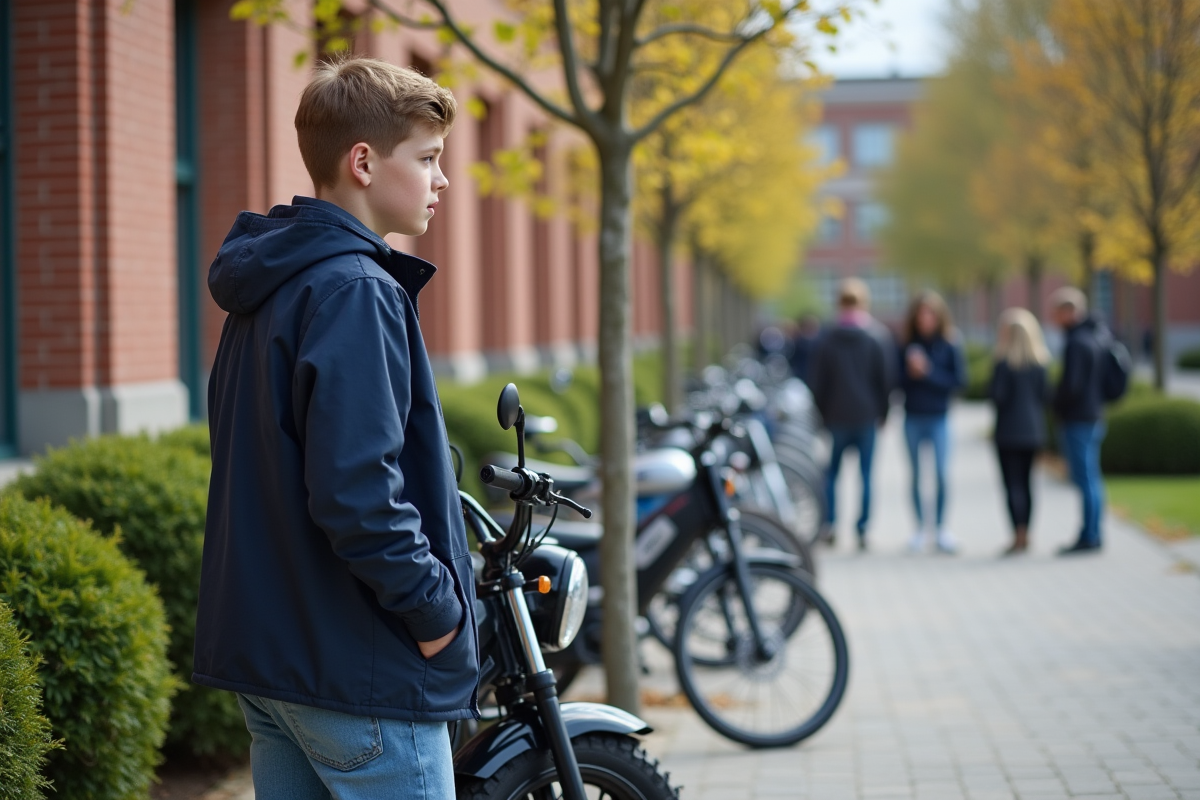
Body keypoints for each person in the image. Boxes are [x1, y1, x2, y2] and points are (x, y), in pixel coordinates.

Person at [193, 57, 478, 799]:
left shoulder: (272, 285)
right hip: (359, 670)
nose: (441, 180)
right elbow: (358, 492)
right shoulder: (355, 290)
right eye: (428, 159)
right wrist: (436, 613)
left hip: (279, 665)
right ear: (362, 162)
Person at [808, 278, 892, 550]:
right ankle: (863, 530)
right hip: (867, 416)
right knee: (866, 475)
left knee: (832, 474)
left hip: (836, 416)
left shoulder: (828, 339)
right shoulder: (875, 337)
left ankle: (830, 525)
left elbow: (818, 382)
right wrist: (884, 412)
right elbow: (885, 379)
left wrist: (821, 414)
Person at [898, 291, 966, 554]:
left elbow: (958, 382)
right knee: (915, 475)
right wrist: (909, 372)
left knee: (940, 474)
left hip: (939, 418)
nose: (925, 319)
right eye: (921, 314)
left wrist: (928, 372)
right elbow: (896, 382)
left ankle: (940, 528)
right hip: (912, 416)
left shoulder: (950, 343)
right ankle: (918, 529)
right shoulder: (906, 345)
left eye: (930, 314)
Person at [1050, 286, 1108, 554]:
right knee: (1092, 478)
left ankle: (1089, 535)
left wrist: (1054, 403)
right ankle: (1094, 532)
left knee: (1085, 478)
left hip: (1079, 418)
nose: (1054, 318)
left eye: (1058, 312)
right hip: (1094, 415)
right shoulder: (1095, 336)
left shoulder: (1076, 342)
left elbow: (1071, 386)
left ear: (1069, 312)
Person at [990, 308, 1052, 555]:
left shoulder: (1003, 365)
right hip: (1033, 432)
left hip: (1007, 433)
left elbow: (997, 397)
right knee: (1027, 485)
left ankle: (1017, 534)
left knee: (1012, 485)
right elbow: (1045, 397)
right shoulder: (1041, 364)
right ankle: (1027, 533)